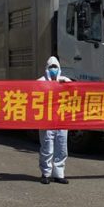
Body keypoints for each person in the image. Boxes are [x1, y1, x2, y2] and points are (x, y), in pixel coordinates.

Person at [37, 56, 72, 185]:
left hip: (61, 120)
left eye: (55, 67)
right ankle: (45, 173)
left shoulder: (65, 81)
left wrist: (67, 84)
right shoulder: (40, 82)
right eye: (51, 67)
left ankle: (59, 174)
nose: (53, 70)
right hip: (47, 121)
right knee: (47, 148)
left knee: (62, 148)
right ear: (47, 69)